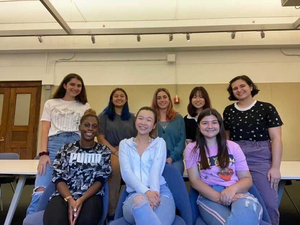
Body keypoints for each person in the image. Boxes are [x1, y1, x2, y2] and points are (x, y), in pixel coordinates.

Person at [26, 73, 90, 215]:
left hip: (76, 146)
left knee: (72, 189)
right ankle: (31, 219)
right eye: (72, 84)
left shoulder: (85, 106)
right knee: (41, 187)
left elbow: (87, 131)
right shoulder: (51, 103)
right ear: (65, 85)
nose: (75, 88)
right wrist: (43, 153)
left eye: (79, 85)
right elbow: (45, 129)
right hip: (54, 144)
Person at [185, 108, 262, 225]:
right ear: (199, 126)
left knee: (246, 214)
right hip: (209, 195)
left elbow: (247, 179)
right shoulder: (192, 148)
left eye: (214, 122)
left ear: (220, 125)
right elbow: (195, 181)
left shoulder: (233, 146)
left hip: (236, 191)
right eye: (205, 123)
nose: (210, 126)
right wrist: (219, 197)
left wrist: (232, 190)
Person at [223, 75, 283, 225]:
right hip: (236, 157)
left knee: (268, 201)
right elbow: (227, 140)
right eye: (235, 88)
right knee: (237, 200)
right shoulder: (229, 111)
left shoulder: (267, 108)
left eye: (242, 86)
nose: (239, 90)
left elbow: (276, 139)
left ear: (251, 87)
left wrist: (275, 167)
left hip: (260, 158)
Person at [43, 109, 112, 225]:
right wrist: (70, 199)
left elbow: (99, 180)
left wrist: (81, 200)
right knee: (54, 221)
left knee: (86, 221)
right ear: (79, 127)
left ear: (97, 130)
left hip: (90, 197)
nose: (90, 129)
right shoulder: (66, 149)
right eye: (86, 125)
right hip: (64, 196)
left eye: (94, 126)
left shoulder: (103, 151)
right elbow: (59, 178)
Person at [119, 106, 175, 225]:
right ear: (135, 121)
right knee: (140, 202)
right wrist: (146, 192)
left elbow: (156, 170)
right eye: (141, 118)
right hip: (135, 194)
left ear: (154, 125)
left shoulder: (159, 143)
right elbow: (127, 174)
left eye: (149, 120)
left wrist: (153, 195)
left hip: (160, 191)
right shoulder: (125, 144)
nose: (143, 123)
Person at [97, 88, 136, 220]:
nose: (119, 98)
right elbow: (100, 138)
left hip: (129, 150)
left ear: (126, 99)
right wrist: (115, 151)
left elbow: (137, 137)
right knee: (116, 169)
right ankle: (112, 212)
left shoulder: (132, 117)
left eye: (122, 96)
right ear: (111, 99)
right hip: (110, 151)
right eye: (116, 96)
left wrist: (125, 149)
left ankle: (133, 207)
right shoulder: (103, 116)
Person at [151, 88, 186, 174]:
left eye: (164, 97)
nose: (162, 100)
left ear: (169, 99)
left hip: (175, 159)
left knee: (174, 175)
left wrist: (171, 158)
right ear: (155, 101)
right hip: (154, 158)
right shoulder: (151, 118)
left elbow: (181, 142)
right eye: (159, 98)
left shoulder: (178, 118)